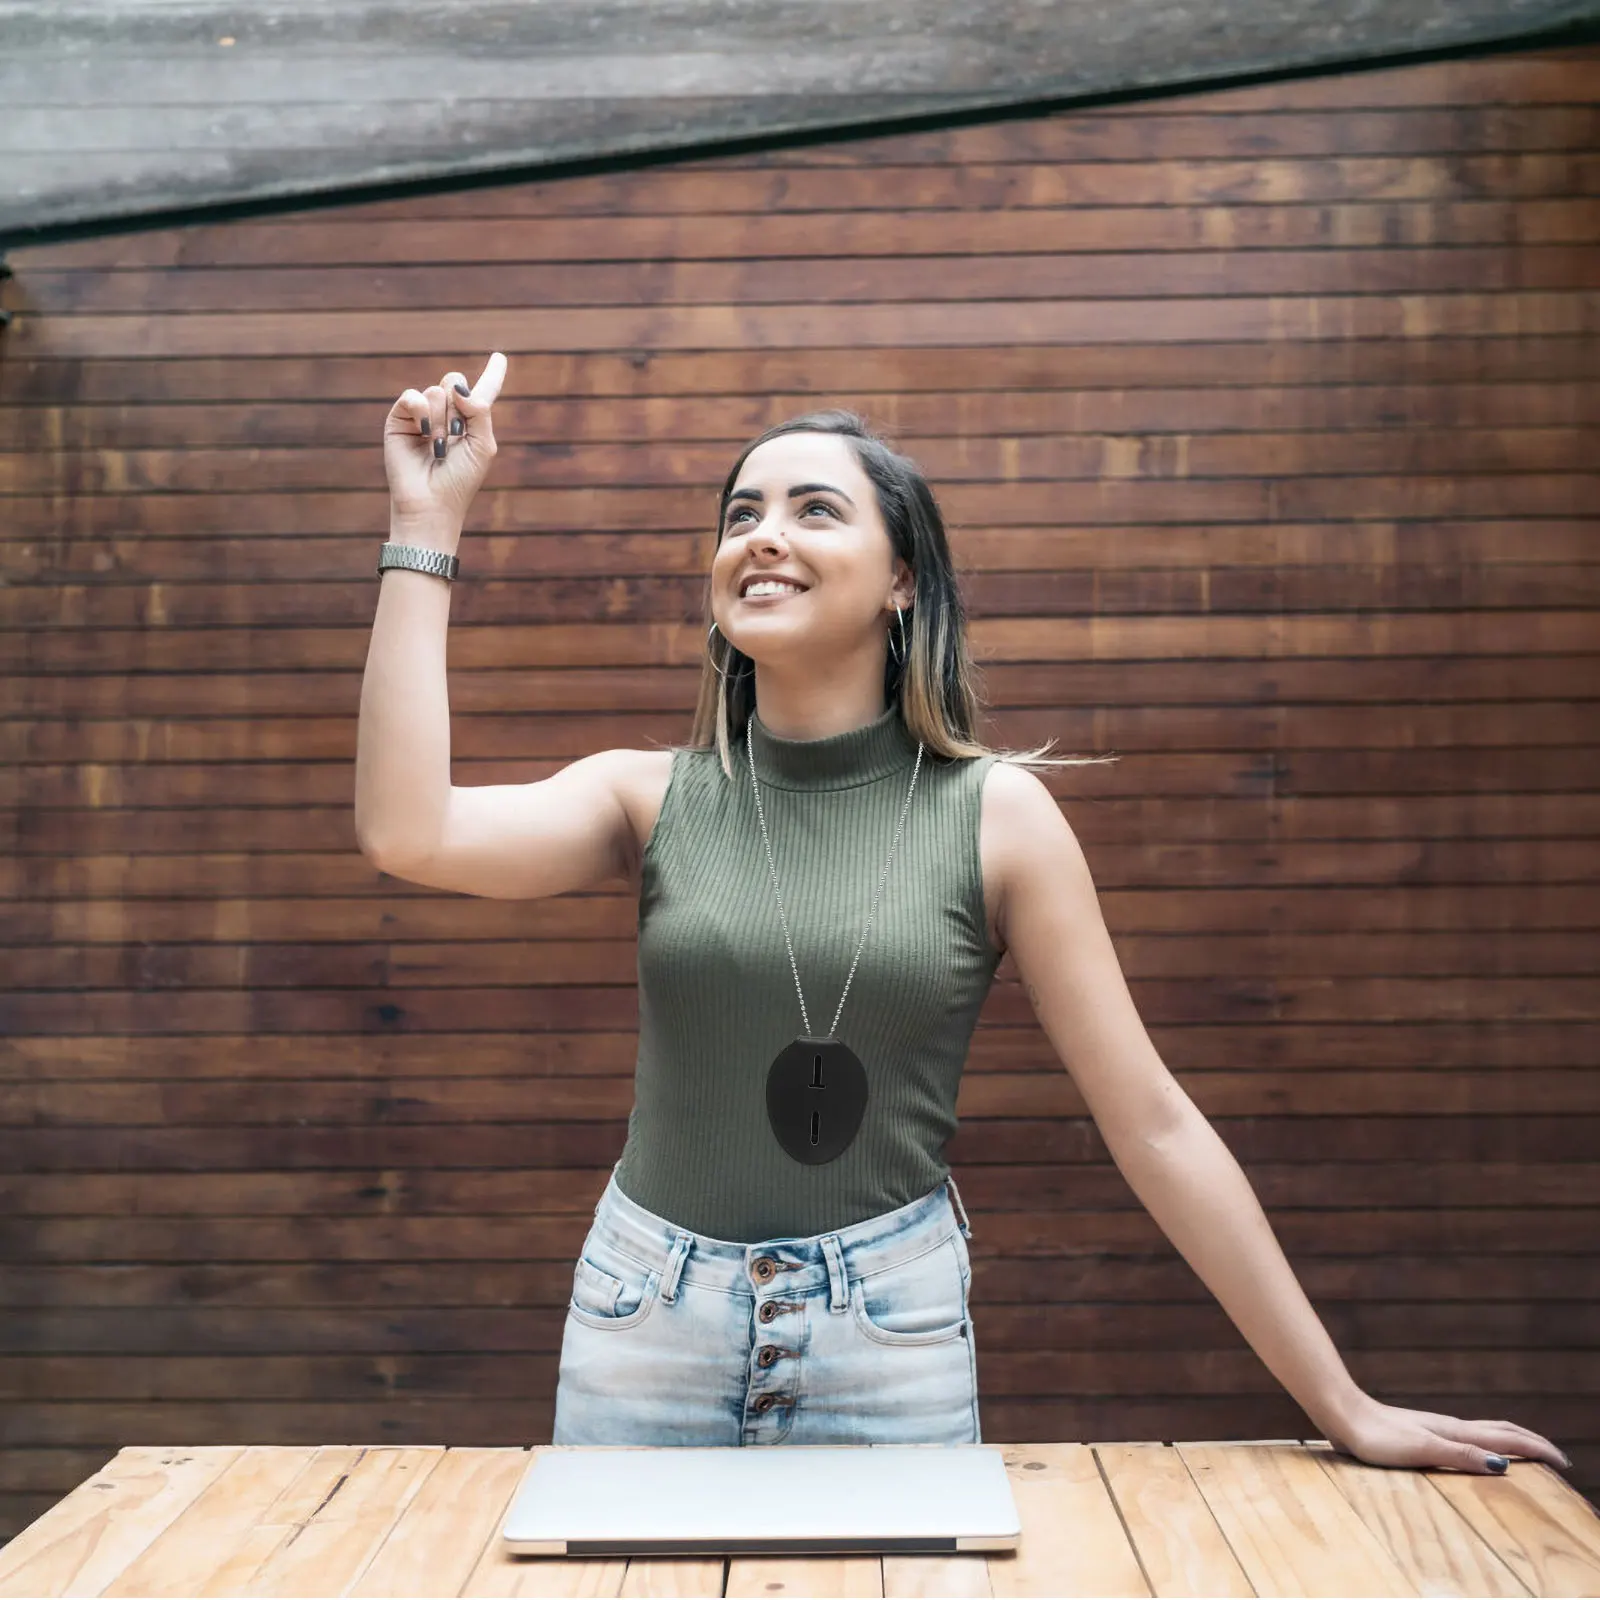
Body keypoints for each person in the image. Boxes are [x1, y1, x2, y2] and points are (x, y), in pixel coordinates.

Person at [356, 353, 1572, 1475]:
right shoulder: (647, 796)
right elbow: (409, 832)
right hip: (643, 1322)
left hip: (885, 1333)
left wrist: (1341, 1402)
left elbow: (1151, 1123)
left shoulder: (1001, 817)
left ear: (901, 580)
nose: (762, 537)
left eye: (812, 509)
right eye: (741, 514)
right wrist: (427, 524)